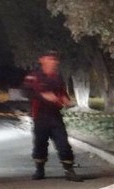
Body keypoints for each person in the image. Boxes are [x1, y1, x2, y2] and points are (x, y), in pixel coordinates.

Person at [22, 50, 81, 181]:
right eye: (50, 59)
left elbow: (62, 92)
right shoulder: (34, 76)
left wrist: (66, 100)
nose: (54, 62)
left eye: (55, 59)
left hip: (55, 116)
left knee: (63, 144)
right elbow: (26, 92)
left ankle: (69, 171)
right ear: (42, 60)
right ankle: (39, 170)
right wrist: (42, 95)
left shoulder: (57, 77)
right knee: (40, 144)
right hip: (40, 116)